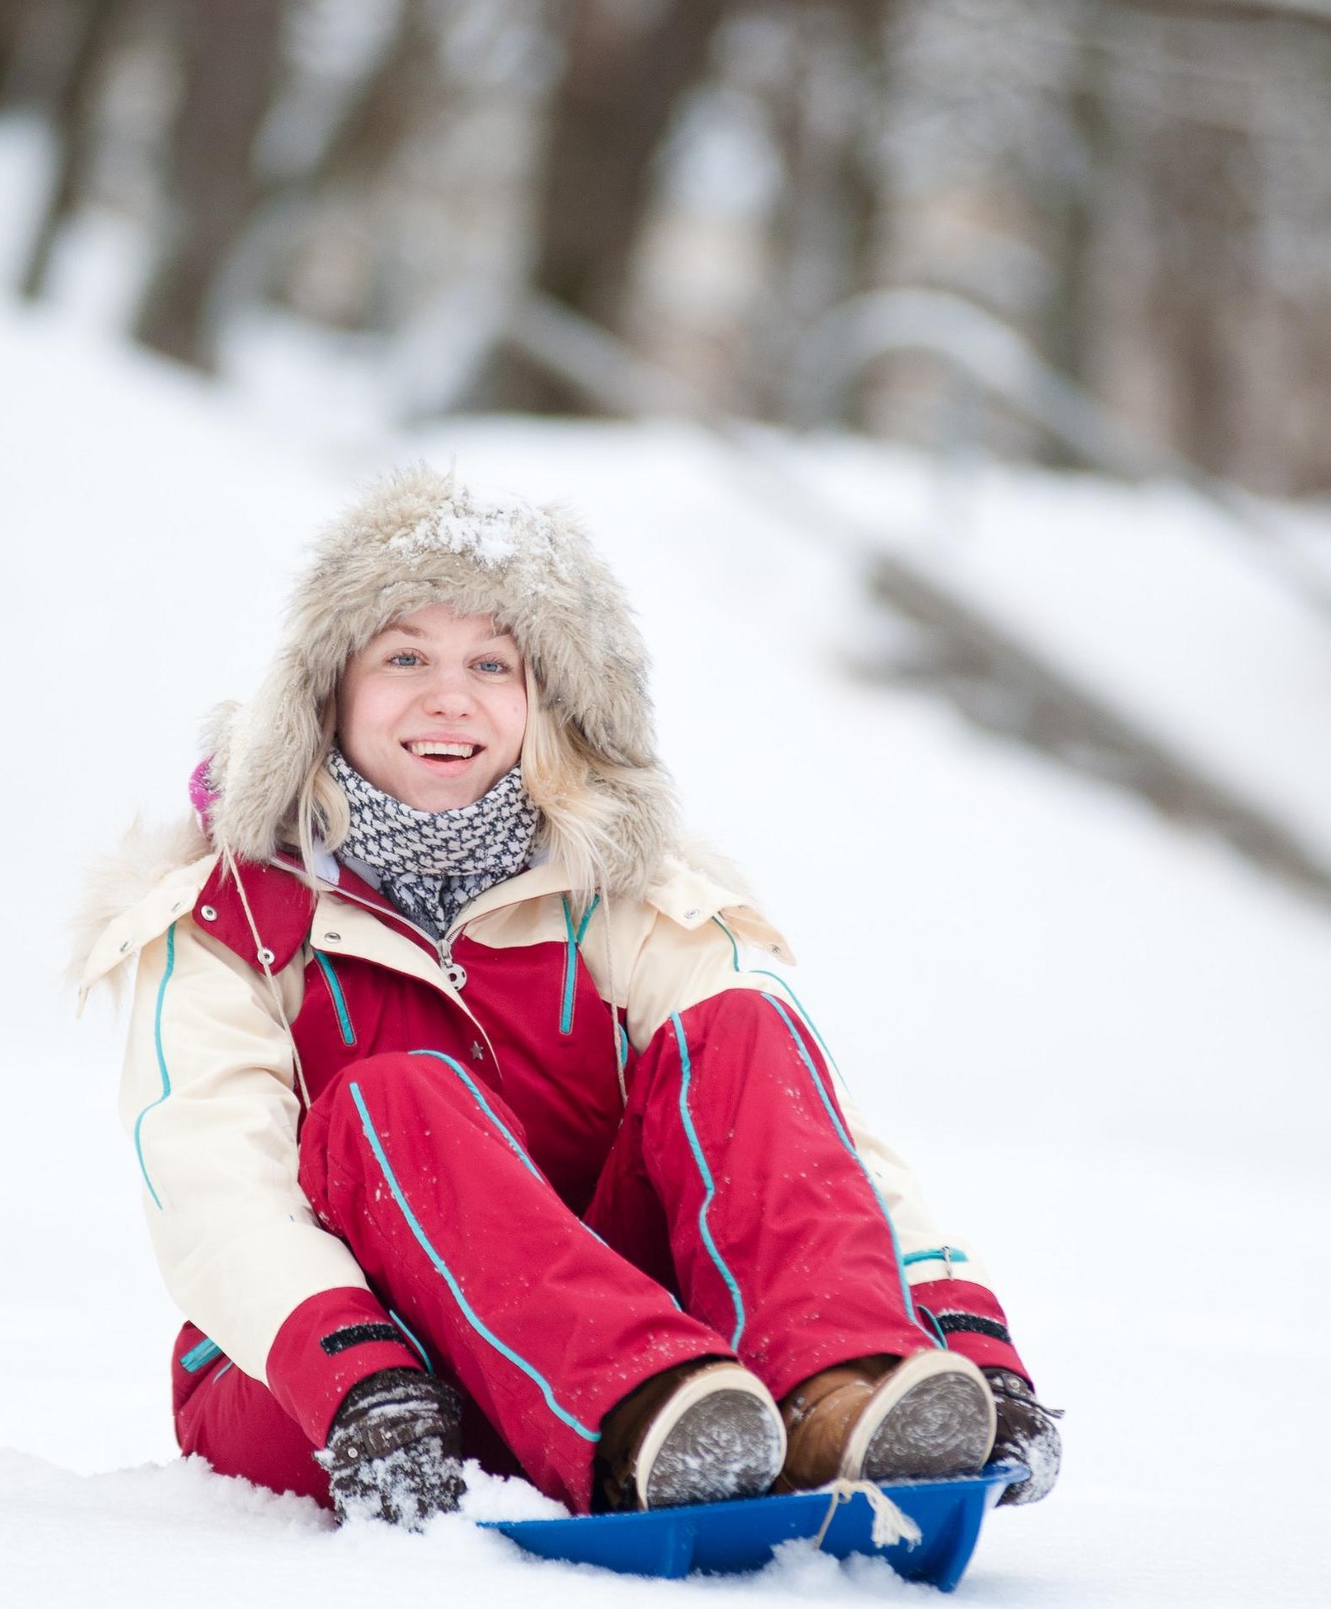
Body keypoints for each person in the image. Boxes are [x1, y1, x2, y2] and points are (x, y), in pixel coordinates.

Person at [77, 469, 1060, 1528]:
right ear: (327, 692)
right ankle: (634, 1416)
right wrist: (352, 1374)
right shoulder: (229, 914)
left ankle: (838, 1390)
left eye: (490, 664)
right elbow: (213, 1183)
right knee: (391, 1097)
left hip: (674, 1377)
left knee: (740, 1026)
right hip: (360, 1392)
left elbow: (806, 1137)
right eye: (403, 657)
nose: (448, 696)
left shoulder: (629, 897)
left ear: (541, 699)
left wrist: (963, 1333)